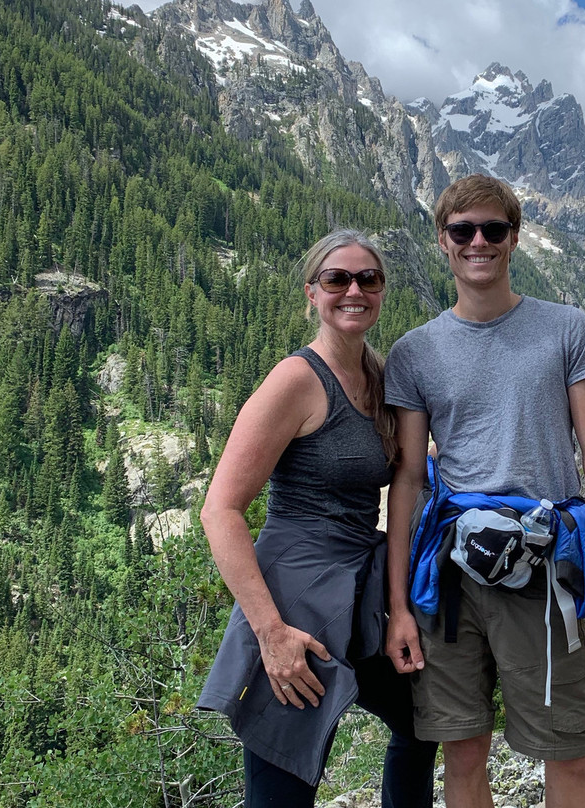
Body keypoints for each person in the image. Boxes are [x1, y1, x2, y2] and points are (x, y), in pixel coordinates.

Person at [384, 174, 585, 808]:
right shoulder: (415, 352)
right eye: (462, 230)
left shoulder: (566, 329)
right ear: (442, 239)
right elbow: (409, 479)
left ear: (514, 238)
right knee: (462, 752)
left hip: (545, 570)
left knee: (567, 754)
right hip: (451, 573)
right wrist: (400, 603)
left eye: (493, 230)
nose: (478, 243)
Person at [196, 229, 437, 808]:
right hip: (297, 595)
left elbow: (406, 466)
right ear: (313, 293)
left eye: (368, 279)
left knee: (424, 720)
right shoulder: (296, 380)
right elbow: (220, 510)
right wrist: (270, 633)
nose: (354, 290)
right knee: (286, 767)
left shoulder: (380, 378)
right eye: (337, 279)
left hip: (363, 589)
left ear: (381, 291)